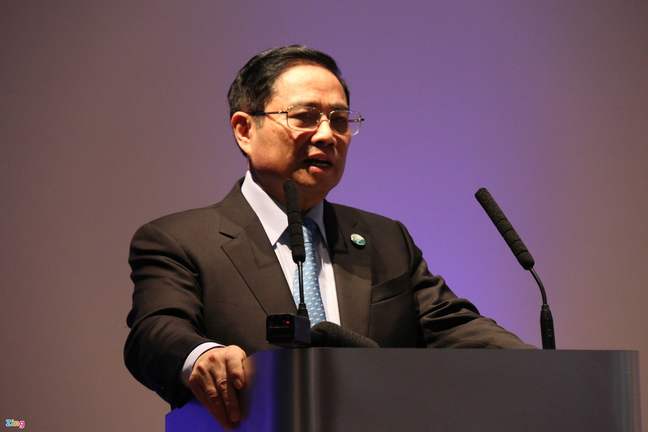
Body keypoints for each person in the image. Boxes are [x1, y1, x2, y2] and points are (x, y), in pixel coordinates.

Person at [124, 45, 535, 431]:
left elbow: (455, 327)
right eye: (305, 116)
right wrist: (201, 355)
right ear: (245, 129)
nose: (327, 135)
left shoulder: (386, 239)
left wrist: (545, 371)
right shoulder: (179, 240)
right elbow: (155, 331)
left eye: (339, 120)